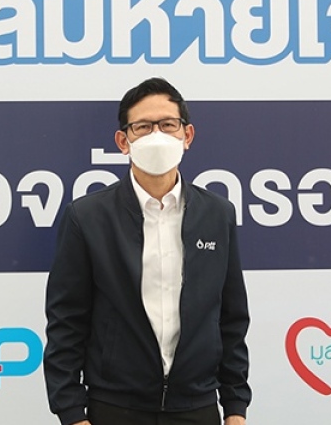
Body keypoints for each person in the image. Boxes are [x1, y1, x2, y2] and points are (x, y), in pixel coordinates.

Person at [44, 77, 251, 425]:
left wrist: (235, 408)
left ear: (187, 135)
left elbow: (231, 319)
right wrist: (71, 413)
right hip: (114, 407)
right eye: (142, 126)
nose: (157, 135)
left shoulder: (218, 214)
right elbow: (66, 322)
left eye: (168, 124)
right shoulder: (88, 217)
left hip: (196, 406)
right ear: (123, 141)